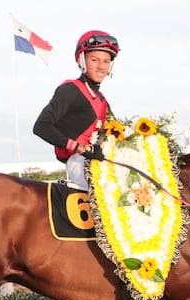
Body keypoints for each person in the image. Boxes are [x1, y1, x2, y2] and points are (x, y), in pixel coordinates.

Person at [33, 30, 119, 190]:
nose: (101, 66)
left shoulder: (102, 100)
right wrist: (81, 148)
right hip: (77, 162)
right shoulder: (70, 89)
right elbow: (41, 126)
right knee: (113, 188)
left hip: (99, 160)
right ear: (81, 60)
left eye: (106, 61)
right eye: (95, 60)